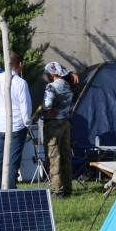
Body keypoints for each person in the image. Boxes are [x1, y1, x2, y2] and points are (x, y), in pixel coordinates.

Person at [0, 51, 32, 190]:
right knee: (13, 158)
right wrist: (27, 122)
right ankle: (11, 186)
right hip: (17, 125)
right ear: (20, 64)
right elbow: (26, 105)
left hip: (0, 124)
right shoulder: (21, 83)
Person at [42, 61, 74, 199]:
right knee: (66, 155)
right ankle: (68, 187)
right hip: (65, 122)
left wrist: (47, 110)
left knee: (53, 156)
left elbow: (47, 103)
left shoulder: (51, 86)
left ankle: (57, 190)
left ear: (52, 73)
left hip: (53, 124)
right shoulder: (68, 86)